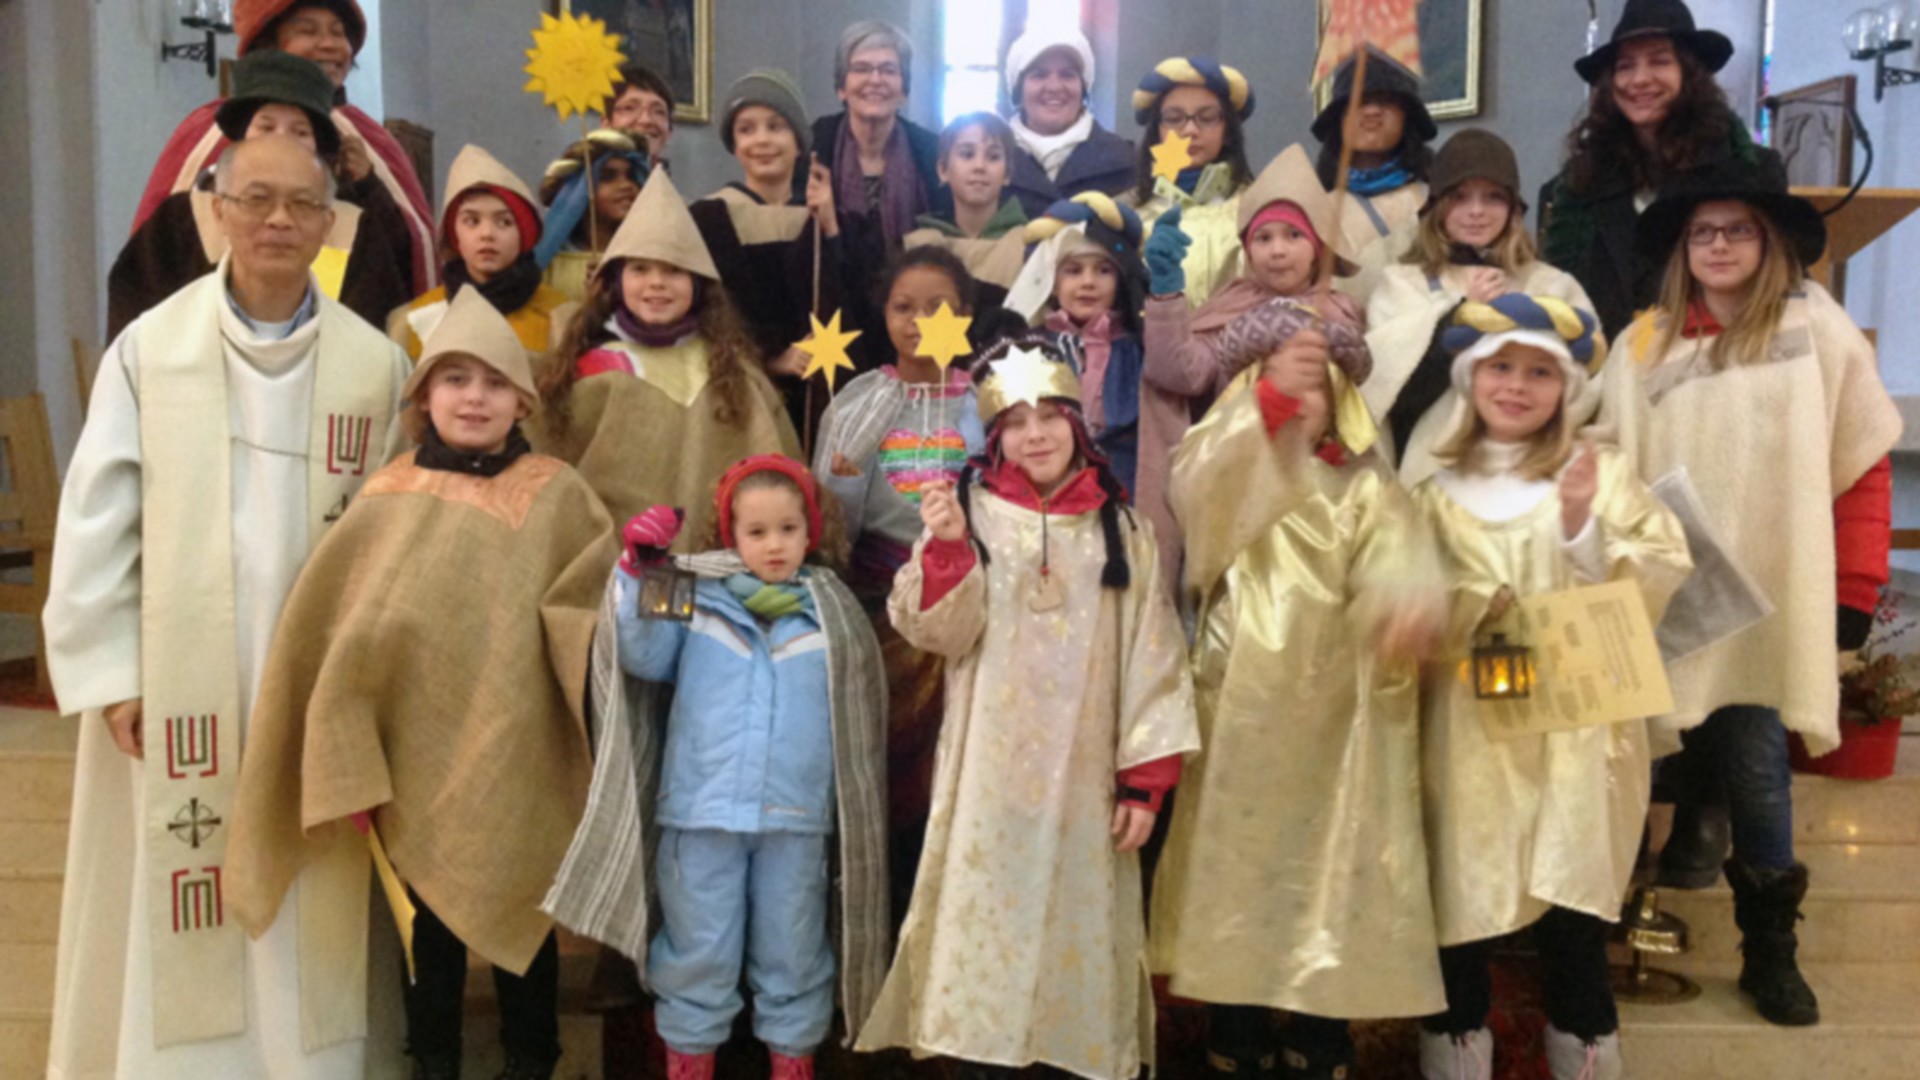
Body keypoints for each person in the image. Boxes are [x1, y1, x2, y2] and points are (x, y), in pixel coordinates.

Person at [42, 134, 410, 1080]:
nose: (277, 219)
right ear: (217, 210)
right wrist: (117, 673)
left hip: (313, 687)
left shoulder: (375, 368)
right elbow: (93, 519)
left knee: (313, 885)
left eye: (299, 203)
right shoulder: (149, 352)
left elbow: (402, 542)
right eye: (255, 199)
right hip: (176, 686)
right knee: (182, 872)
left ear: (330, 224)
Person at [225, 287, 615, 1080]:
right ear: (423, 396)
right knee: (426, 928)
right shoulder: (387, 493)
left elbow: (590, 604)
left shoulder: (556, 492)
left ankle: (530, 1057)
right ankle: (432, 1059)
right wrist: (350, 712)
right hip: (413, 754)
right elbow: (340, 621)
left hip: (521, 742)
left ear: (523, 399)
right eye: (455, 379)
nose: (475, 398)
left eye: (495, 383)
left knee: (525, 904)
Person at [854, 336, 1200, 1080]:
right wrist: (947, 549)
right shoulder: (970, 516)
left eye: (1049, 415)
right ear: (995, 436)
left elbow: (1154, 652)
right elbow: (936, 630)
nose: (1034, 433)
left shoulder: (1125, 532)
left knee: (1073, 942)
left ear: (1078, 424)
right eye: (1014, 420)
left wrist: (1147, 776)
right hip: (989, 779)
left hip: (1085, 785)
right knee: (986, 937)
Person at [1600, 176, 1900, 1028]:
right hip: (1666, 598)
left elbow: (1862, 461)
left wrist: (1852, 593)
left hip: (1766, 603)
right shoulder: (1645, 345)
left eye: (1738, 231)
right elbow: (1603, 452)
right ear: (1682, 249)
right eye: (1702, 233)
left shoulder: (1816, 335)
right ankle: (1604, 931)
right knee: (1633, 764)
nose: (1720, 246)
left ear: (1770, 243)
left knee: (1759, 772)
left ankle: (1772, 950)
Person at [1152, 263, 1442, 1080]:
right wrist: (1266, 409)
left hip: (1346, 719)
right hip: (1243, 703)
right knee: (1242, 867)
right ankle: (1236, 1031)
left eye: (1315, 380)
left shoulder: (1367, 489)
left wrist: (1406, 605)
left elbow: (1400, 561)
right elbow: (1200, 500)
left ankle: (1322, 1036)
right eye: (1274, 375)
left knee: (1333, 869)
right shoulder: (1231, 455)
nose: (1298, 391)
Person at [1413, 296, 1691, 1080]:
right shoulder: (1434, 494)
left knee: (1571, 914)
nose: (1517, 386)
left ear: (1566, 388)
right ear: (1470, 379)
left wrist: (1580, 529)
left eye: (1540, 371)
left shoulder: (1599, 475)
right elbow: (1404, 602)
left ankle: (1585, 1055)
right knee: (1462, 905)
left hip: (1576, 735)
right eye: (1500, 366)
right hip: (1469, 738)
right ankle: (1457, 1051)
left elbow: (1660, 566)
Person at [608, 458, 889, 1080]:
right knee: (696, 949)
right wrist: (639, 573)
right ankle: (689, 1061)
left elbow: (859, 719)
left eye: (788, 529)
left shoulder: (834, 615)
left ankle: (792, 1061)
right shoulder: (695, 599)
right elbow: (643, 656)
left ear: (810, 532)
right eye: (756, 531)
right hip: (700, 811)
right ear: (729, 534)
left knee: (793, 951)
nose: (773, 544)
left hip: (797, 816)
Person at [811, 246, 986, 922]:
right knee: (887, 767)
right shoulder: (862, 400)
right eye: (903, 307)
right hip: (876, 605)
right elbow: (832, 512)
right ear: (883, 315)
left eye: (938, 308)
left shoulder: (985, 400)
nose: (919, 321)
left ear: (965, 315)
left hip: (966, 607)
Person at [1141, 144, 1367, 595]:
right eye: (1263, 239)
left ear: (1319, 247)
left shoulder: (1339, 313)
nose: (1277, 251)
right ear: (1246, 250)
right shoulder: (1229, 308)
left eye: (1293, 236)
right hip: (1237, 493)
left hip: (1316, 497)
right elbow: (1180, 374)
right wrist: (1167, 294)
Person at [537, 168, 800, 538]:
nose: (656, 282)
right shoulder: (585, 370)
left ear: (698, 284)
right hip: (612, 563)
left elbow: (774, 463)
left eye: (675, 270)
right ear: (616, 280)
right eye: (640, 269)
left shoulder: (733, 371)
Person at [132, 0, 434, 294]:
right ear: (268, 42)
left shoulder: (370, 140)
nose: (329, 44)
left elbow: (408, 259)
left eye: (338, 32)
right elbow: (153, 268)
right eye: (308, 31)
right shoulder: (205, 136)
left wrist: (369, 187)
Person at [108, 50, 413, 339]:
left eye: (300, 132)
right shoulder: (181, 221)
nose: (281, 142)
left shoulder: (353, 231)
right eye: (265, 127)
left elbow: (372, 340)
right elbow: (138, 328)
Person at [1363, 129, 1600, 485]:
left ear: (1512, 207)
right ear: (1438, 205)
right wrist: (1458, 316)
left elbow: (1589, 380)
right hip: (1434, 473)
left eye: (1493, 197)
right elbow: (1389, 392)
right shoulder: (1402, 283)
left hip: (1532, 470)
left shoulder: (1552, 286)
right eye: (1460, 196)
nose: (1476, 211)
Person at [1541, 0, 1782, 339]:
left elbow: (1774, 284)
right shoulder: (1582, 180)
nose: (1639, 79)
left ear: (1690, 71)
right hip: (1603, 369)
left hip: (1710, 363)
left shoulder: (1749, 170)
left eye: (1659, 61)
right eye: (1625, 66)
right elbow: (1560, 284)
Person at [690, 69, 844, 433]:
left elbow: (849, 295)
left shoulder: (823, 216)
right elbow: (708, 312)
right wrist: (770, 359)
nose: (762, 140)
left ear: (798, 140)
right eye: (747, 129)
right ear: (734, 143)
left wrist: (832, 229)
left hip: (820, 390)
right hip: (746, 392)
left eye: (776, 127)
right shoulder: (710, 218)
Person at [1005, 194, 1151, 499]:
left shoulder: (1139, 349)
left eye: (1103, 270)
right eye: (1073, 271)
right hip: (1049, 494)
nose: (1088, 282)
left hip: (1124, 488)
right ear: (1051, 282)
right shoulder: (1029, 349)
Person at [390, 144, 571, 360]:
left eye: (504, 222)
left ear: (524, 234)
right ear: (453, 234)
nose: (487, 234)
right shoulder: (411, 321)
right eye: (472, 221)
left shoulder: (562, 317)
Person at [1312, 45, 1438, 307]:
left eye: (1386, 101)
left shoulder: (1436, 201)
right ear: (1339, 117)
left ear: (1407, 115)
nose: (1371, 112)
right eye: (1359, 101)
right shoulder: (1313, 207)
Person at [1127, 56, 1258, 307]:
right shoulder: (1128, 215)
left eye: (1207, 118)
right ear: (1157, 130)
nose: (1190, 131)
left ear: (1227, 130)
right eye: (1175, 119)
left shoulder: (1258, 208)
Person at [811, 20, 941, 252]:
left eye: (888, 70)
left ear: (903, 90)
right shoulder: (815, 146)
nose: (875, 80)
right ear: (842, 87)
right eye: (861, 69)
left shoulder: (930, 152)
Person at [1001, 24, 1136, 217]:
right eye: (1039, 75)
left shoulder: (1127, 162)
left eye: (1067, 74)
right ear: (1018, 89)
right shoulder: (990, 163)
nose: (1054, 87)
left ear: (1083, 88)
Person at [904, 112, 1029, 311]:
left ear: (1007, 174)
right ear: (943, 169)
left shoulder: (1030, 246)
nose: (979, 166)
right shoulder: (916, 245)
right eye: (967, 154)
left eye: (993, 156)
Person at [534, 131, 652, 305]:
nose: (627, 185)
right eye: (608, 177)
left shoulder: (650, 259)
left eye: (631, 176)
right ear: (578, 191)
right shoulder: (549, 264)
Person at [603, 63, 676, 164]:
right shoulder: (586, 178)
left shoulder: (665, 179)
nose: (646, 120)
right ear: (606, 124)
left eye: (659, 112)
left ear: (669, 132)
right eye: (629, 108)